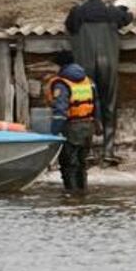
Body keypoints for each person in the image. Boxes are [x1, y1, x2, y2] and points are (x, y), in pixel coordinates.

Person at [65, 0, 130, 164]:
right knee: (109, 104)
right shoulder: (111, 11)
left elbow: (69, 27)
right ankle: (108, 152)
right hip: (108, 64)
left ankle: (87, 151)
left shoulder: (77, 12)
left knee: (86, 106)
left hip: (83, 68)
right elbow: (127, 18)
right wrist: (124, 11)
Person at [49, 57, 96, 191]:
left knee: (69, 164)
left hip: (71, 128)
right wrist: (98, 124)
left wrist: (53, 133)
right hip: (88, 127)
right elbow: (96, 103)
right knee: (82, 163)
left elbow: (60, 112)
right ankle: (82, 193)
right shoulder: (88, 81)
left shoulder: (62, 84)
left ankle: (71, 195)